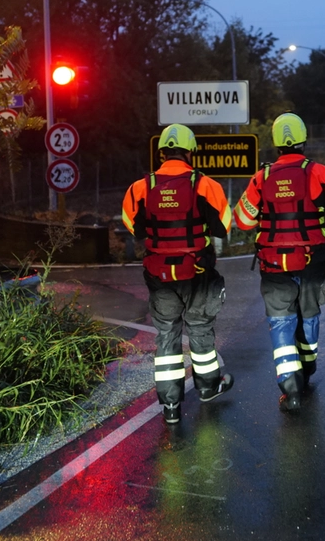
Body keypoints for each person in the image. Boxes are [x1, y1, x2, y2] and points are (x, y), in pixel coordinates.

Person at [234, 113, 325, 411]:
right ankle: (308, 366)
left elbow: (243, 220)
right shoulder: (319, 173)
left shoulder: (261, 178)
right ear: (303, 140)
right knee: (309, 315)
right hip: (313, 262)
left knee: (280, 321)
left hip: (274, 265)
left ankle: (290, 387)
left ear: (275, 144)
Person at [122, 124, 234, 424]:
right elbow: (224, 226)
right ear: (191, 151)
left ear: (161, 153)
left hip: (159, 274)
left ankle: (170, 406)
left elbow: (134, 227)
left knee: (167, 336)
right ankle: (209, 388)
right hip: (197, 270)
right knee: (199, 328)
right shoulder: (206, 185)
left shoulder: (140, 187)